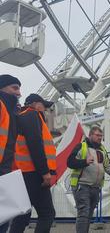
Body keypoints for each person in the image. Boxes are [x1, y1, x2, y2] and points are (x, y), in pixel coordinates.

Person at [9, 94, 56, 233]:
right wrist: (45, 172)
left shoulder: (20, 117)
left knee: (23, 215)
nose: (45, 110)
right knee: (47, 214)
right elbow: (35, 144)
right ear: (35, 104)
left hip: (21, 173)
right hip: (34, 173)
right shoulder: (32, 115)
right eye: (44, 106)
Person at [67, 126, 110, 233]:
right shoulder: (81, 146)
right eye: (97, 135)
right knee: (84, 213)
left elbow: (107, 166)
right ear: (90, 135)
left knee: (88, 214)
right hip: (82, 185)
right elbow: (70, 162)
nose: (100, 138)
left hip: (95, 187)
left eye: (101, 136)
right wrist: (84, 162)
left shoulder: (102, 150)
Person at [0, 74, 21, 233]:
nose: (19, 93)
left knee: (4, 220)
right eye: (15, 88)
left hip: (5, 172)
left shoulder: (10, 112)